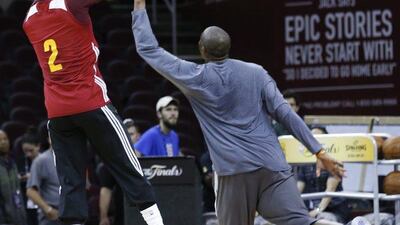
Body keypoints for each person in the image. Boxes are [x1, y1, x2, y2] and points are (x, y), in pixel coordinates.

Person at [131, 1, 347, 224]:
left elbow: (148, 49)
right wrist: (319, 151)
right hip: (272, 165)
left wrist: (139, 5)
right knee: (303, 222)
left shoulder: (195, 77)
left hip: (234, 172)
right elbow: (286, 114)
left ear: (202, 49)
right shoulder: (257, 72)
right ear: (228, 48)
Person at [22, 0, 164, 224]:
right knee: (127, 164)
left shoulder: (28, 18)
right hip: (90, 102)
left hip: (57, 112)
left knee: (70, 180)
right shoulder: (70, 4)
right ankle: (155, 221)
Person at [297, 126, 351, 224]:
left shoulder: (334, 160)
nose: (314, 143)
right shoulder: (305, 163)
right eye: (312, 138)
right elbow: (298, 189)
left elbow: (330, 190)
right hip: (313, 211)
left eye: (318, 139)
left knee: (320, 220)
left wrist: (317, 210)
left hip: (334, 210)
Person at [98, 118, 142, 225]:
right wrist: (103, 217)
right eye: (124, 134)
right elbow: (105, 191)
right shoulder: (113, 163)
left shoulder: (151, 161)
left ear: (138, 136)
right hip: (123, 219)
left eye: (131, 134)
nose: (127, 137)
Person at [26, 132, 61, 225]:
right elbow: (30, 191)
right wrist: (48, 209)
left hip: (72, 214)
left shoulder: (71, 159)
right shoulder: (41, 160)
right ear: (49, 139)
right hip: (52, 217)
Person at [0, 129, 27, 225]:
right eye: (0, 140)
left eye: (5, 139)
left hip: (19, 216)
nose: (3, 142)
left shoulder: (12, 163)